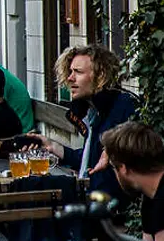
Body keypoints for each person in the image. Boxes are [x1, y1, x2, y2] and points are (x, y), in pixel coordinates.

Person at [30, 43, 138, 199]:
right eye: (70, 72)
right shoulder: (93, 111)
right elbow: (90, 161)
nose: (70, 78)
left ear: (100, 76)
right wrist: (52, 146)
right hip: (91, 198)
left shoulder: (123, 107)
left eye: (78, 72)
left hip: (107, 205)